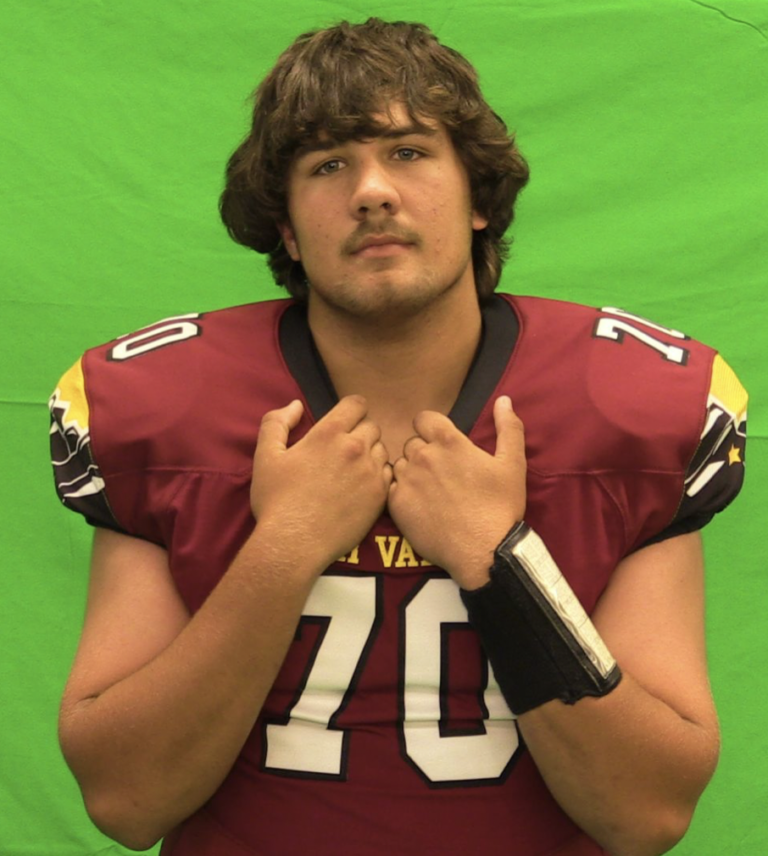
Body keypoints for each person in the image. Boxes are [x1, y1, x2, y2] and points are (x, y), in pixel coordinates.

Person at [49, 18, 747, 856]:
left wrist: (498, 557)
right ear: (286, 227)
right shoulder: (167, 407)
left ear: (479, 198)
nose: (372, 191)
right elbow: (127, 801)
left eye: (409, 152)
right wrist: (286, 546)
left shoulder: (623, 405)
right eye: (327, 165)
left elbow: (648, 814)